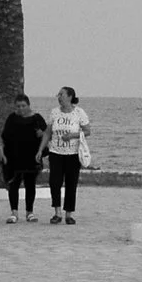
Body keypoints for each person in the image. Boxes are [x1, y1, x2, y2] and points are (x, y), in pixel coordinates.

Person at [45, 87, 92, 225]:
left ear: (70, 96)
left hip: (72, 154)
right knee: (54, 182)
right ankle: (57, 212)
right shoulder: (54, 112)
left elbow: (88, 131)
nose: (59, 97)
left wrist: (73, 135)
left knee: (71, 183)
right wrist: (40, 149)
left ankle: (69, 214)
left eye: (62, 94)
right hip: (56, 152)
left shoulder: (79, 113)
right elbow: (48, 132)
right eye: (58, 94)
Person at [0, 94, 48, 223]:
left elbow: (47, 135)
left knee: (30, 185)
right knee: (13, 184)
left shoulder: (37, 118)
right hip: (13, 157)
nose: (21, 108)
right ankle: (14, 212)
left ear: (28, 105)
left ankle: (29, 212)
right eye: (18, 106)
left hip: (31, 157)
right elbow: (4, 137)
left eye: (23, 106)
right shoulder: (12, 118)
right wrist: (2, 154)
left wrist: (42, 134)